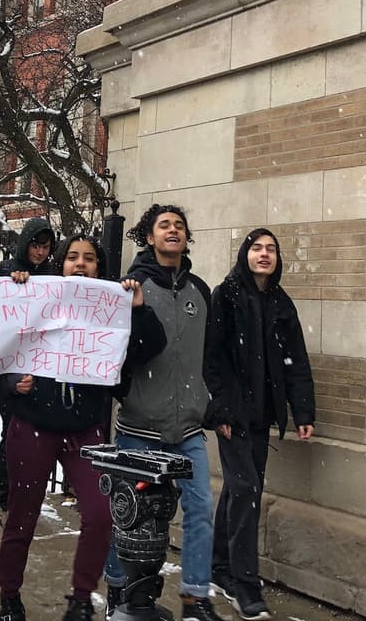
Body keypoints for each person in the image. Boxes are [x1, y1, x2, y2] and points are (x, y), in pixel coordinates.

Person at [0, 235, 165, 621]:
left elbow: (151, 346)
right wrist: (11, 384)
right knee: (22, 517)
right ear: (60, 265)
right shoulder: (34, 296)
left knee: (101, 515)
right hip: (33, 425)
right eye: (72, 257)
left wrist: (137, 309)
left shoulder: (111, 307)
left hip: (85, 430)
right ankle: (9, 595)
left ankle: (81, 598)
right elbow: (1, 353)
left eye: (89, 258)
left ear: (99, 269)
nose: (80, 263)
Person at [105, 204, 223, 621]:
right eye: (164, 225)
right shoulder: (131, 285)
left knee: (199, 510)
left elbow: (210, 355)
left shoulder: (200, 292)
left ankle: (195, 597)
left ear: (186, 237)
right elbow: (117, 351)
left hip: (188, 428)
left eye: (179, 225)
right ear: (149, 237)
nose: (173, 230)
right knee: (127, 514)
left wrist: (211, 402)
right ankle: (118, 590)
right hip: (140, 426)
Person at [204, 229, 316, 621]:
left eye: (270, 249)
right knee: (247, 489)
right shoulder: (226, 295)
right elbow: (212, 358)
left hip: (262, 417)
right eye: (257, 248)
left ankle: (218, 566)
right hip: (232, 417)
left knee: (239, 491)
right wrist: (220, 410)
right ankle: (244, 584)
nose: (264, 254)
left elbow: (297, 361)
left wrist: (303, 413)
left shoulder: (282, 304)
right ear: (245, 254)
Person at [0, 216, 57, 515]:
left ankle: (12, 480)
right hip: (9, 363)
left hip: (39, 365)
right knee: (11, 429)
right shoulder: (3, 271)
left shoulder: (53, 275)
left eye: (45, 247)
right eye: (35, 246)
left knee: (31, 429)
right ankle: (6, 485)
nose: (40, 253)